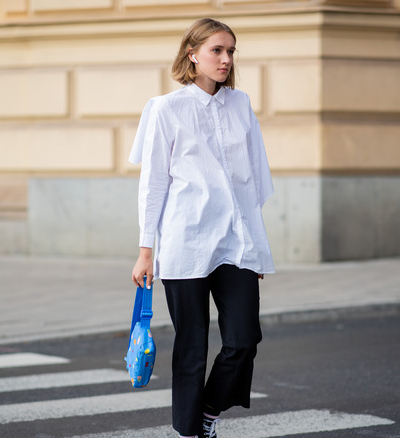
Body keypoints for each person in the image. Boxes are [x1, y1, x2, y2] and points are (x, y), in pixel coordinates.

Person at [129, 17, 275, 438]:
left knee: (244, 340)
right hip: (186, 242)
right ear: (192, 54)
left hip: (236, 244)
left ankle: (208, 409)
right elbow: (153, 183)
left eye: (231, 51)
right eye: (217, 50)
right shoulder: (165, 109)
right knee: (191, 348)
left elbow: (252, 180)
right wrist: (145, 250)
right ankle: (190, 431)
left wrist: (256, 246)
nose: (226, 59)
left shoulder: (241, 104)